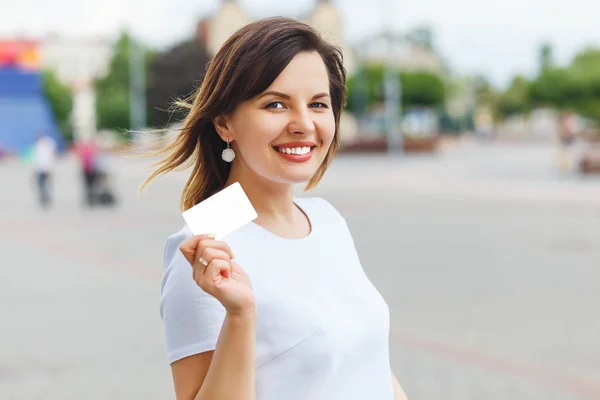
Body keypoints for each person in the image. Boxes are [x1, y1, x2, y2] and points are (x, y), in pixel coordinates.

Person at [142, 17, 408, 400]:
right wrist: (240, 316)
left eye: (318, 103)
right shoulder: (205, 246)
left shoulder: (325, 218)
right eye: (276, 104)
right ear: (223, 122)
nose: (303, 124)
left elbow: (371, 366)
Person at [32, 133, 57, 208]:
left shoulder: (42, 146)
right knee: (43, 184)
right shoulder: (44, 145)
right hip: (42, 167)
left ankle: (45, 197)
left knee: (44, 184)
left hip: (44, 167)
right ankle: (45, 197)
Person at [73, 138, 100, 206]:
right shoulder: (93, 149)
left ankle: (88, 199)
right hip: (93, 169)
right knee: (92, 185)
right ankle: (91, 199)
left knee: (87, 185)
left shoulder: (84, 149)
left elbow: (79, 156)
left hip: (86, 170)